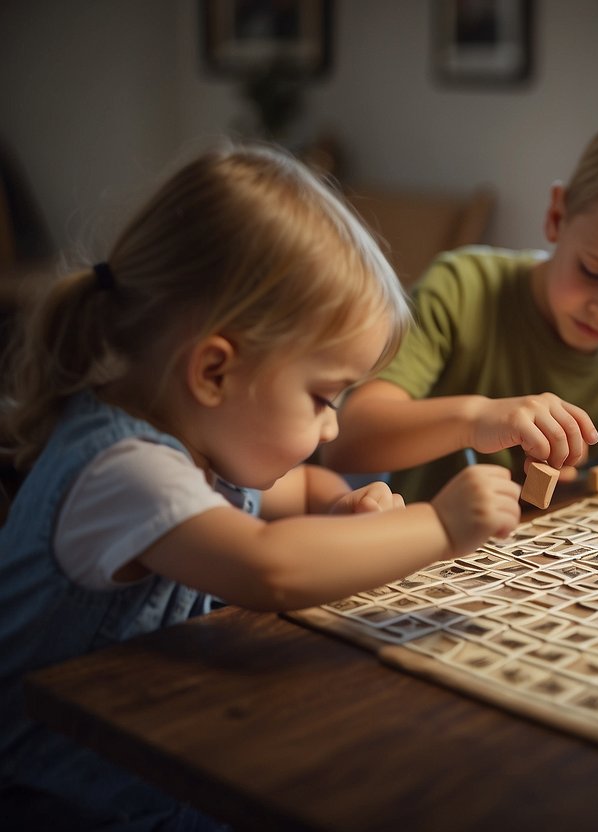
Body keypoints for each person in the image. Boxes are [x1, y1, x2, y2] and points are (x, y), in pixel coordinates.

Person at [0, 143, 521, 830]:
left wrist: (342, 508)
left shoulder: (199, 437)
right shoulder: (126, 471)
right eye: (321, 397)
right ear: (215, 371)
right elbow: (267, 568)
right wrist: (440, 525)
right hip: (57, 789)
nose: (332, 428)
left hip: (151, 737)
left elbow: (300, 493)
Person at [323, 108, 598, 501]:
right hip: (428, 560)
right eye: (594, 272)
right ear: (557, 217)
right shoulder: (462, 290)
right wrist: (476, 419)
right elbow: (347, 444)